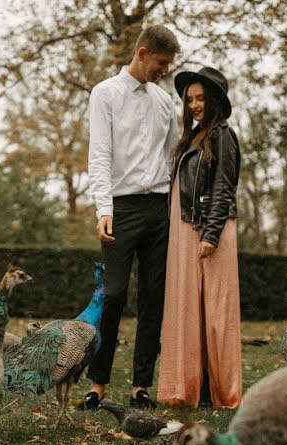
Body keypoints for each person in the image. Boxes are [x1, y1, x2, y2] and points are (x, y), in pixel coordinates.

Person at [78, 25, 181, 411]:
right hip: (121, 208)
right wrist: (104, 209)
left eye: (168, 65)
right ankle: (98, 382)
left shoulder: (164, 102)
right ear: (141, 54)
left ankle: (141, 385)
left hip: (159, 209)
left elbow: (172, 157)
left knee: (154, 299)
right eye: (161, 63)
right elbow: (99, 154)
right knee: (115, 293)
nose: (164, 71)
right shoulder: (105, 93)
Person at [157, 66, 242, 409]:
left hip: (209, 230)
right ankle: (194, 388)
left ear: (215, 101)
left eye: (200, 98)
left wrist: (212, 232)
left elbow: (224, 187)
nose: (193, 105)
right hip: (184, 230)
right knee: (188, 310)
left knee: (217, 314)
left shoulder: (223, 135)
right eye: (189, 99)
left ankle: (223, 390)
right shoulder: (190, 139)